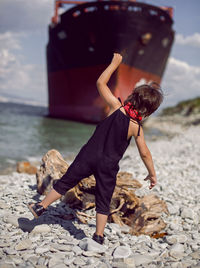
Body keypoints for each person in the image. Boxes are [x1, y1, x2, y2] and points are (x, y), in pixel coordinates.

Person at [28, 53, 163, 245]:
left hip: (87, 156)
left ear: (133, 96)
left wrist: (114, 64)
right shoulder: (136, 126)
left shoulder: (116, 107)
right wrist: (152, 174)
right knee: (103, 198)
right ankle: (98, 236)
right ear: (149, 110)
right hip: (108, 166)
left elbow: (100, 83)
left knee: (66, 182)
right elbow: (145, 153)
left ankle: (41, 206)